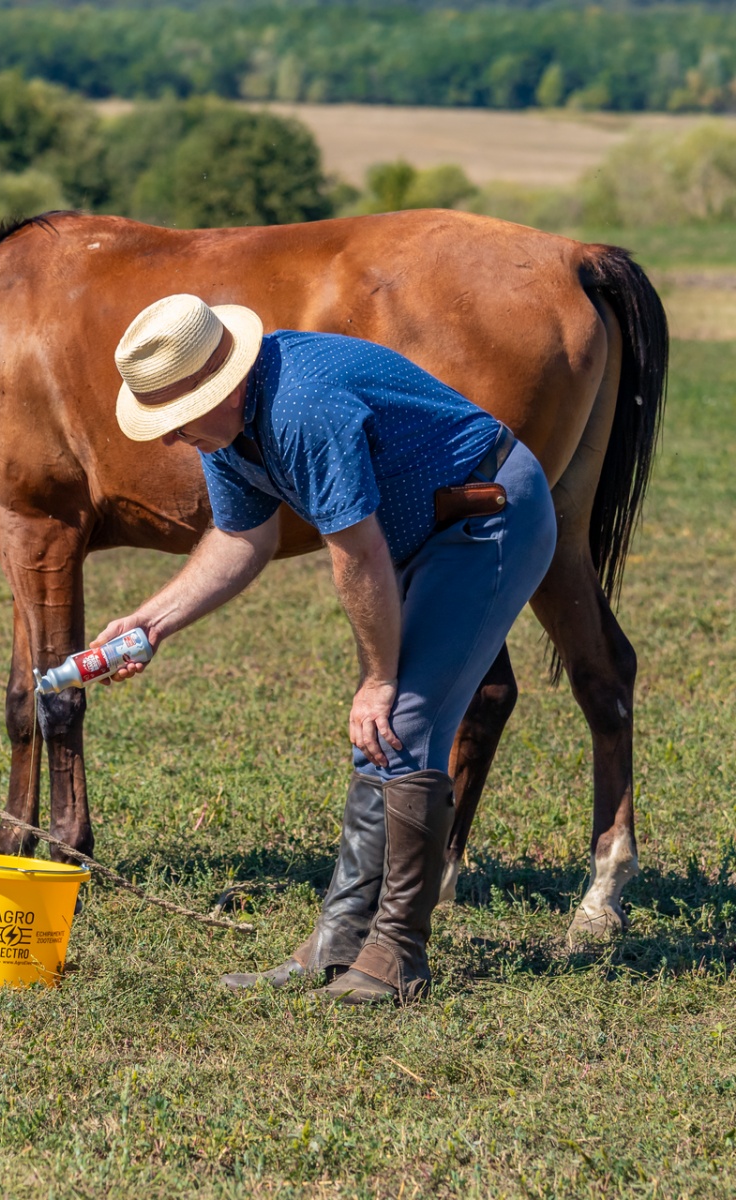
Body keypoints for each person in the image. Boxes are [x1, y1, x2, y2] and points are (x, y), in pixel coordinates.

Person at [92, 294, 557, 1006]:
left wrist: (377, 677)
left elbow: (359, 553)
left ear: (218, 385)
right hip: (426, 533)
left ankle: (397, 956)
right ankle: (340, 944)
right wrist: (153, 621)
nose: (165, 441)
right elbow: (244, 538)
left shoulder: (301, 407)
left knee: (399, 720)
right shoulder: (229, 430)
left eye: (172, 420)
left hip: (488, 517)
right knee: (384, 736)